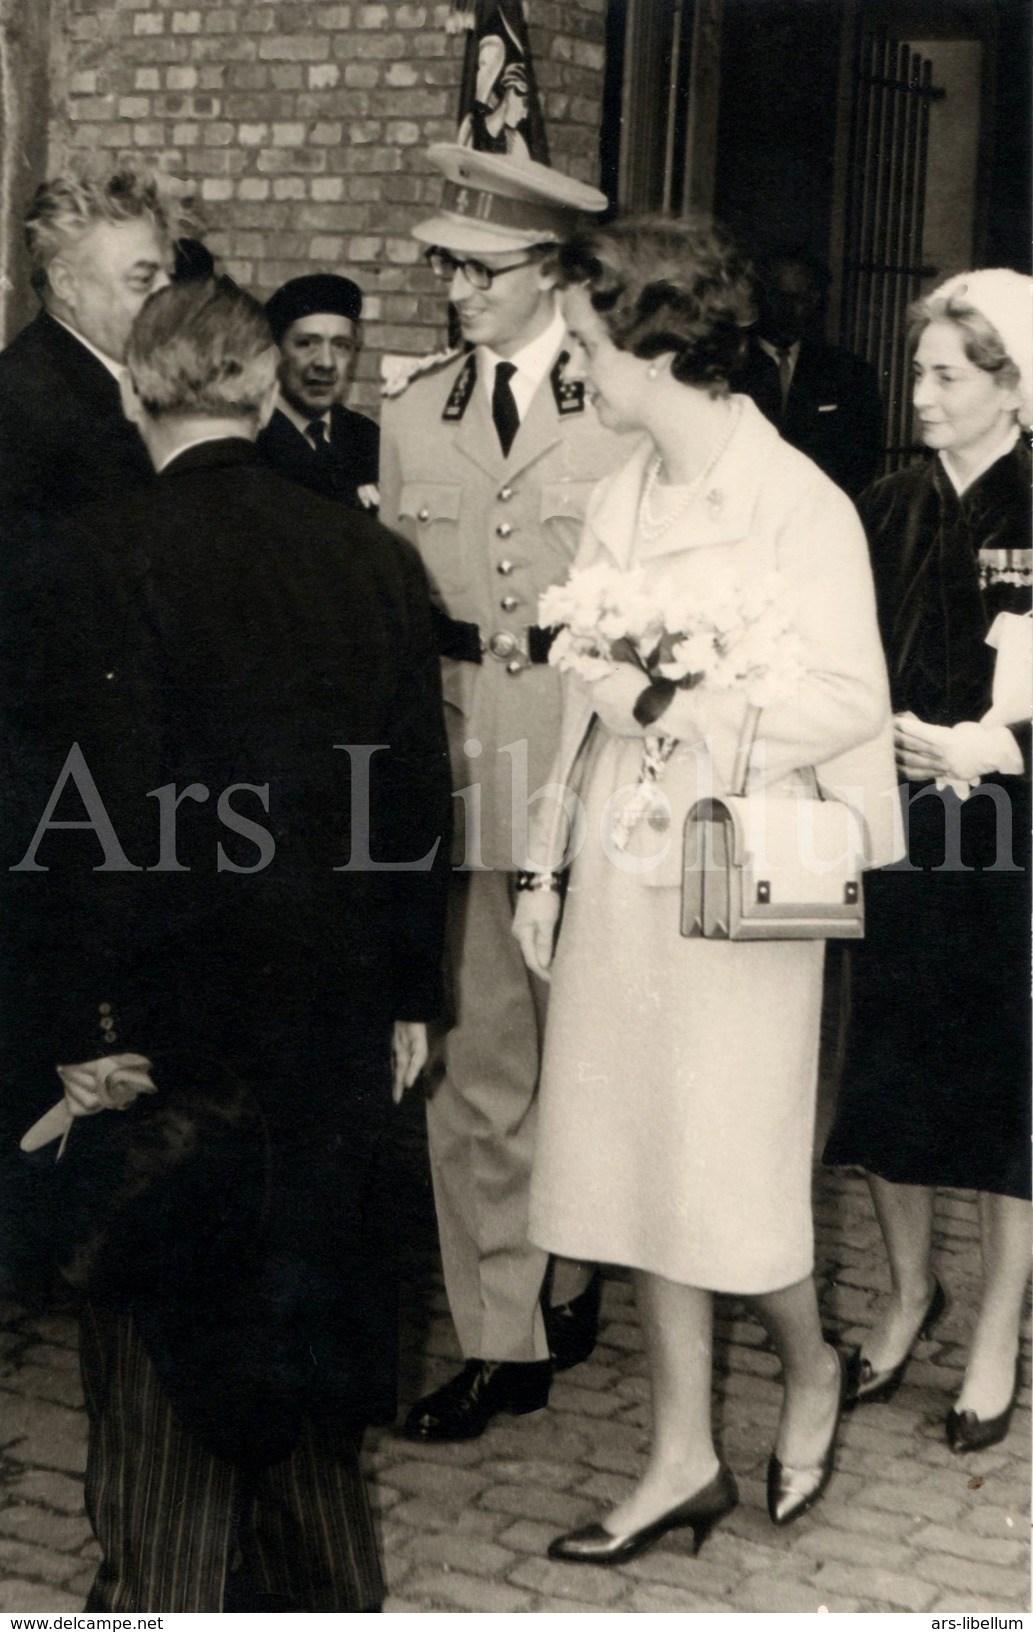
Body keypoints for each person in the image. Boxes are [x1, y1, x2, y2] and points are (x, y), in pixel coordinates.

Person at [0, 276, 452, 1610]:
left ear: (140, 389)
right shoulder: (372, 560)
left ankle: (166, 1587)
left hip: (162, 1025)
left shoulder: (89, 557)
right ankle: (319, 1589)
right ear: (263, 390)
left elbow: (66, 829)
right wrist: (411, 993)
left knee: (157, 1344)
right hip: (328, 1015)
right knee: (307, 1315)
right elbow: (414, 804)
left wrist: (69, 1036)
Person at [512, 216, 901, 1563]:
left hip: (739, 871)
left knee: (724, 1166)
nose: (574, 361)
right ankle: (679, 1457)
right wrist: (544, 862)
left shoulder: (797, 499)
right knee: (636, 1156)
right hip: (625, 868)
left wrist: (675, 701)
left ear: (653, 342)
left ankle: (810, 1365)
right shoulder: (622, 491)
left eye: (585, 339)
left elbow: (851, 694)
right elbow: (583, 690)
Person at [379, 144, 629, 1441]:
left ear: (550, 271)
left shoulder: (622, 411)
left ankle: (574, 1273)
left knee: (585, 1050)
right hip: (466, 762)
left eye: (478, 268)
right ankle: (501, 1335)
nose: (453, 288)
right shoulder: (414, 410)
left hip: (589, 762)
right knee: (479, 1066)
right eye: (444, 264)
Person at [823, 268, 1032, 1454]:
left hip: (1017, 844)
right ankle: (909, 1295)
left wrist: (999, 743)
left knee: (1010, 1095)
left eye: (947, 374)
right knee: (888, 1081)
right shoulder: (884, 503)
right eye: (918, 371)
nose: (921, 393)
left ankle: (995, 1328)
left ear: (1011, 387)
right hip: (900, 836)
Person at [0, 168, 177, 520]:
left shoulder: (130, 377)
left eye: (166, 274)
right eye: (143, 279)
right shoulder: (20, 404)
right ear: (66, 282)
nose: (167, 292)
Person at [732, 249, 883, 498]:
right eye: (779, 296)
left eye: (802, 298)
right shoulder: (726, 365)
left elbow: (861, 461)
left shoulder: (848, 372)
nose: (790, 309)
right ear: (757, 296)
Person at [257, 272, 380, 509]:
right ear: (276, 353)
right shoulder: (251, 439)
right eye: (306, 343)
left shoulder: (368, 440)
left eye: (341, 346)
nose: (326, 362)